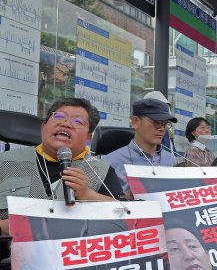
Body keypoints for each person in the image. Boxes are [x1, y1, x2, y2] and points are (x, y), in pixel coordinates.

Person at [0, 98, 125, 235]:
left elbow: (126, 217)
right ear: (43, 127)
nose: (66, 124)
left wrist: (87, 194)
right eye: (59, 116)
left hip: (74, 253)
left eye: (78, 121)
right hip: (11, 253)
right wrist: (2, 226)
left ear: (88, 137)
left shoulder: (101, 172)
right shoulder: (5, 162)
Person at [102, 99, 178, 198]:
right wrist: (126, 197)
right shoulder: (110, 163)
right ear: (135, 122)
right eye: (157, 122)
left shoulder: (172, 160)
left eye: (166, 124)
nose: (162, 128)